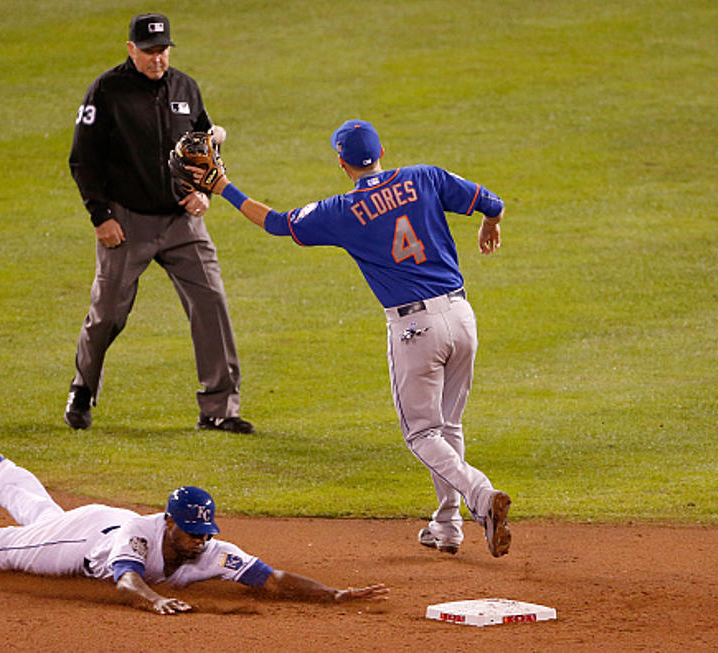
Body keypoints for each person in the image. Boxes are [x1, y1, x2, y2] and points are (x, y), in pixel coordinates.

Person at [179, 120, 512, 557]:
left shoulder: (344, 209)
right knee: (448, 425)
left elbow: (278, 224)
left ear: (342, 162)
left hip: (416, 329)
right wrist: (491, 223)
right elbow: (494, 203)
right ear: (383, 152)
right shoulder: (424, 176)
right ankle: (447, 525)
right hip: (462, 317)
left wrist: (224, 187)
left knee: (422, 434)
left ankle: (481, 497)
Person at [0, 454, 388, 614]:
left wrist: (333, 594)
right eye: (190, 533)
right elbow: (125, 581)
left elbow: (271, 579)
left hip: (92, 524)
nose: (200, 542)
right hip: (89, 535)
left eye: (204, 533)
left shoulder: (210, 549)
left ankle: (1, 476)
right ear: (169, 523)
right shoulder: (139, 537)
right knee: (2, 550)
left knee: (41, 517)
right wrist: (154, 602)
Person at [65, 12, 252, 433]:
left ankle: (220, 409)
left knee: (211, 304)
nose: (157, 58)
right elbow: (83, 159)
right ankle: (82, 388)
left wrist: (202, 190)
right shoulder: (107, 91)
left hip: (181, 223)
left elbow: (204, 146)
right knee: (108, 313)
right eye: (148, 51)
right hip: (126, 222)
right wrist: (101, 216)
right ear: (131, 49)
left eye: (163, 49)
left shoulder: (185, 87)